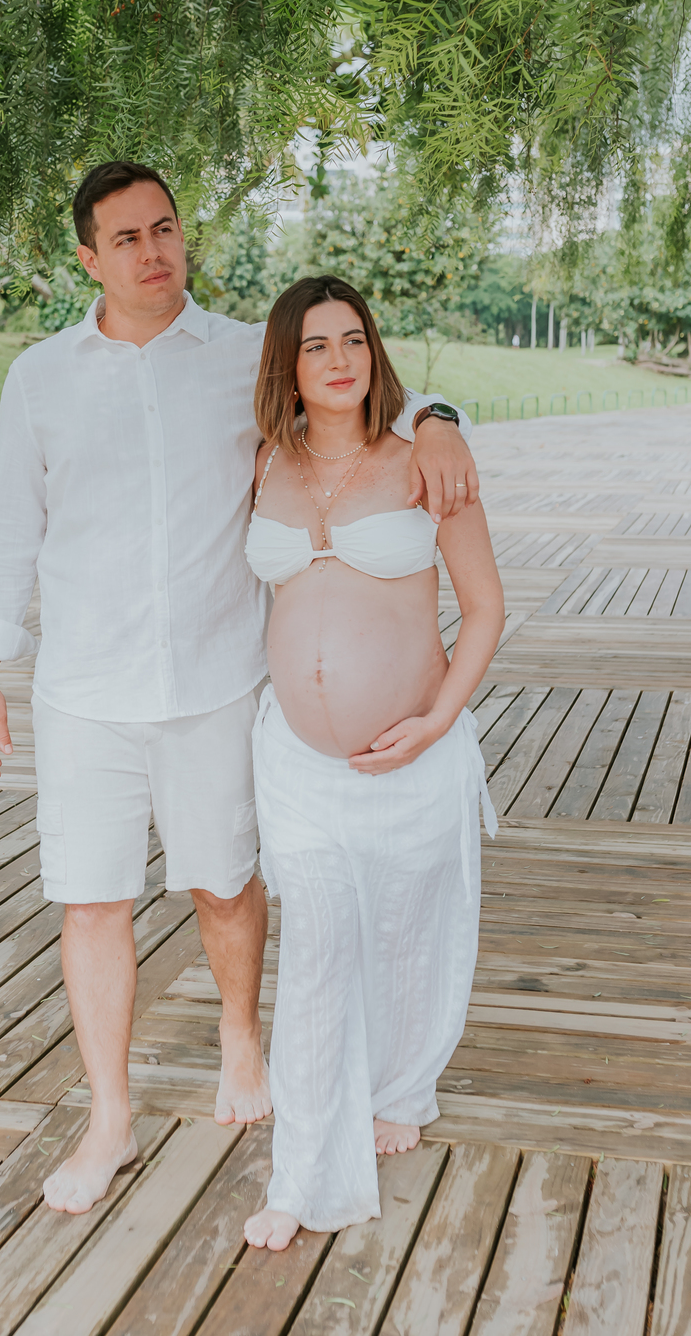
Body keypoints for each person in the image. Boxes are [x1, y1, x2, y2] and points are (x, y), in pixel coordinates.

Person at [0, 161, 480, 1216]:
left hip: (215, 679)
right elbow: (10, 526)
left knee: (225, 882)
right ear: (88, 258)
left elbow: (354, 382)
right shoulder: (39, 379)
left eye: (165, 228)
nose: (152, 252)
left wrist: (441, 416)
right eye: (126, 238)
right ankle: (109, 1118)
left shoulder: (247, 355)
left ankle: (241, 1038)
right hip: (83, 689)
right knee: (90, 898)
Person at [242, 275, 504, 1252]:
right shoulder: (264, 461)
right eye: (316, 345)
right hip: (297, 762)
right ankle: (302, 1175)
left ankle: (400, 1087)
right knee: (315, 948)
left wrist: (437, 721)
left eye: (354, 338)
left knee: (405, 932)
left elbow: (485, 607)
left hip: (410, 755)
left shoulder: (425, 464)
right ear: (288, 365)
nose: (339, 359)